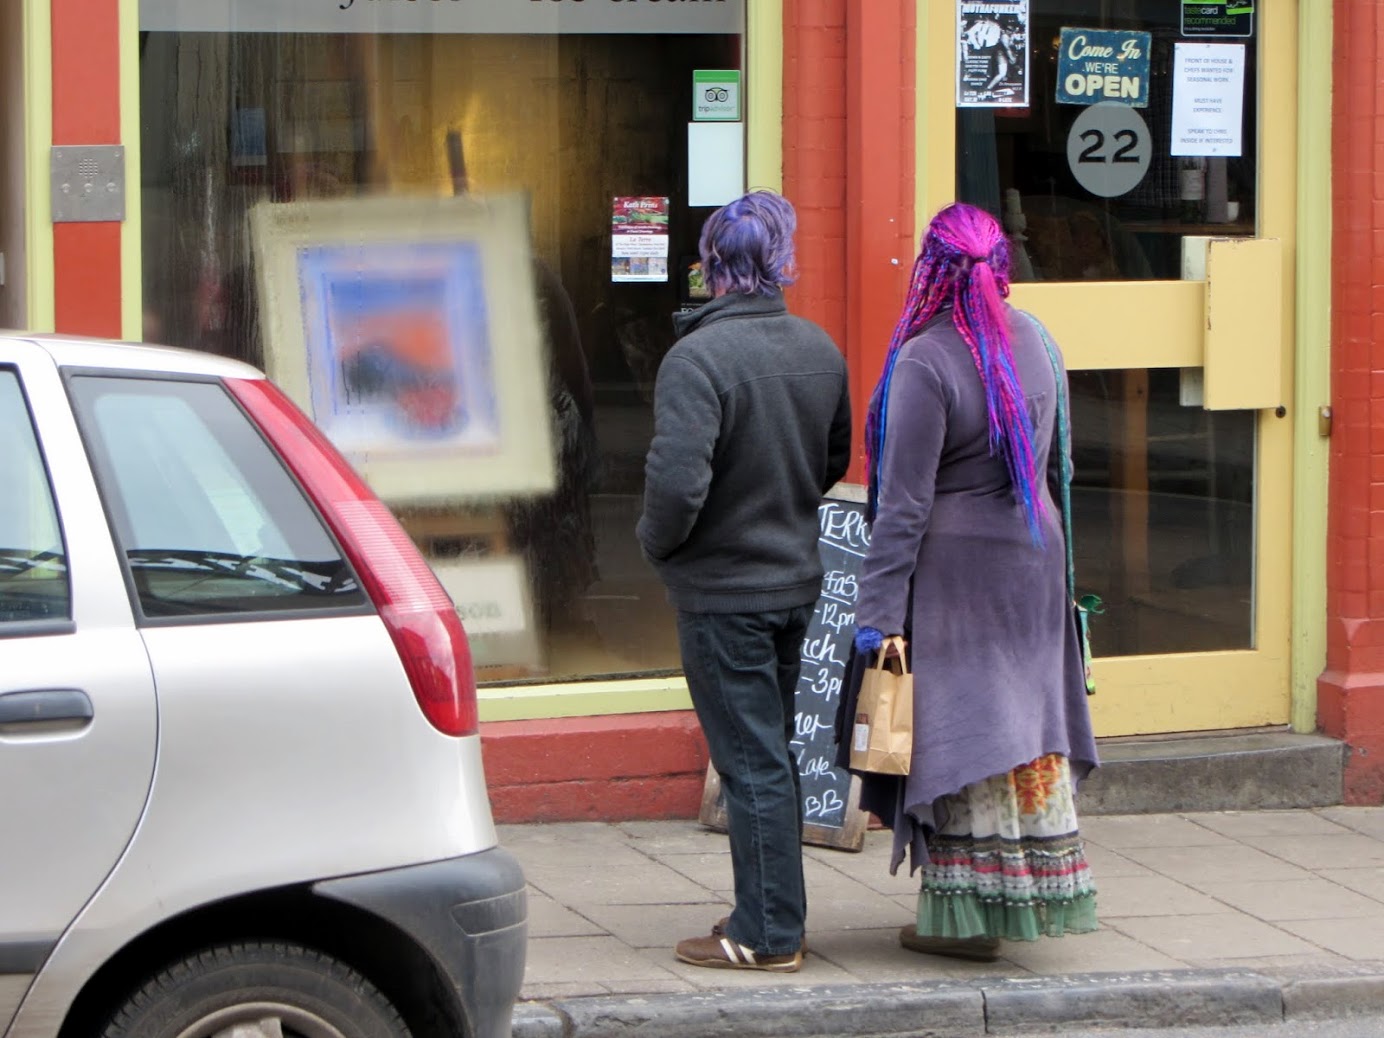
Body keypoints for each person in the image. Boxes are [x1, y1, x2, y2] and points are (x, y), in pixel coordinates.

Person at [849, 202, 1098, 962]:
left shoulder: (926, 359)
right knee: (1021, 727)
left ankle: (966, 921)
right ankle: (1028, 894)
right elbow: (1062, 465)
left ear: (932, 268)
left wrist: (878, 614)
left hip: (957, 577)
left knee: (965, 733)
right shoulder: (1041, 343)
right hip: (1033, 561)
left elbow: (903, 506)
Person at [637, 190, 851, 973]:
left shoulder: (696, 359)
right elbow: (832, 460)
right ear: (781, 259)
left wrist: (657, 551)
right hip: (795, 582)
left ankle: (765, 934)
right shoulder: (819, 348)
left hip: (725, 594)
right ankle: (770, 916)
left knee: (751, 762)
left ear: (712, 264)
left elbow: (675, 487)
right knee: (773, 757)